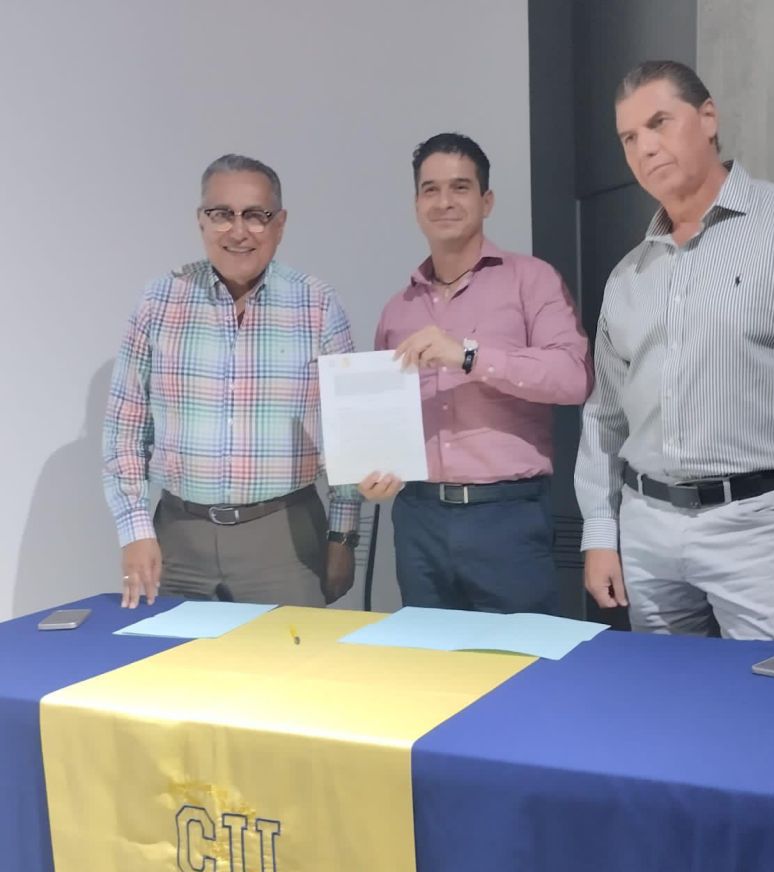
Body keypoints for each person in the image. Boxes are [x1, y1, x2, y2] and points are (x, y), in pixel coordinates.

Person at [575, 61, 774, 643]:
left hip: (755, 525)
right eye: (629, 138)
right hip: (645, 526)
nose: (645, 147)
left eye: (659, 123)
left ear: (709, 117)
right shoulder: (627, 277)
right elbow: (604, 416)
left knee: (770, 691)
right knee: (665, 693)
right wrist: (599, 531)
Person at [103, 154, 361, 610]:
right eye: (222, 214)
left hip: (285, 539)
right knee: (172, 657)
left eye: (255, 215)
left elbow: (349, 434)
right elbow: (125, 428)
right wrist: (134, 530)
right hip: (178, 539)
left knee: (285, 658)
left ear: (280, 224)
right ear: (201, 221)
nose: (238, 231)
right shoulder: (159, 301)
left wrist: (342, 535)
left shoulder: (317, 304)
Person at [360, 133, 592, 613]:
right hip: (419, 517)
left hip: (506, 517)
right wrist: (372, 471)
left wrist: (468, 356)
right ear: (416, 205)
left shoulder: (531, 280)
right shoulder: (397, 309)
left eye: (460, 187)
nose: (444, 201)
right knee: (430, 655)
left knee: (521, 655)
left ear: (486, 201)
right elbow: (381, 418)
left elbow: (573, 378)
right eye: (430, 189)